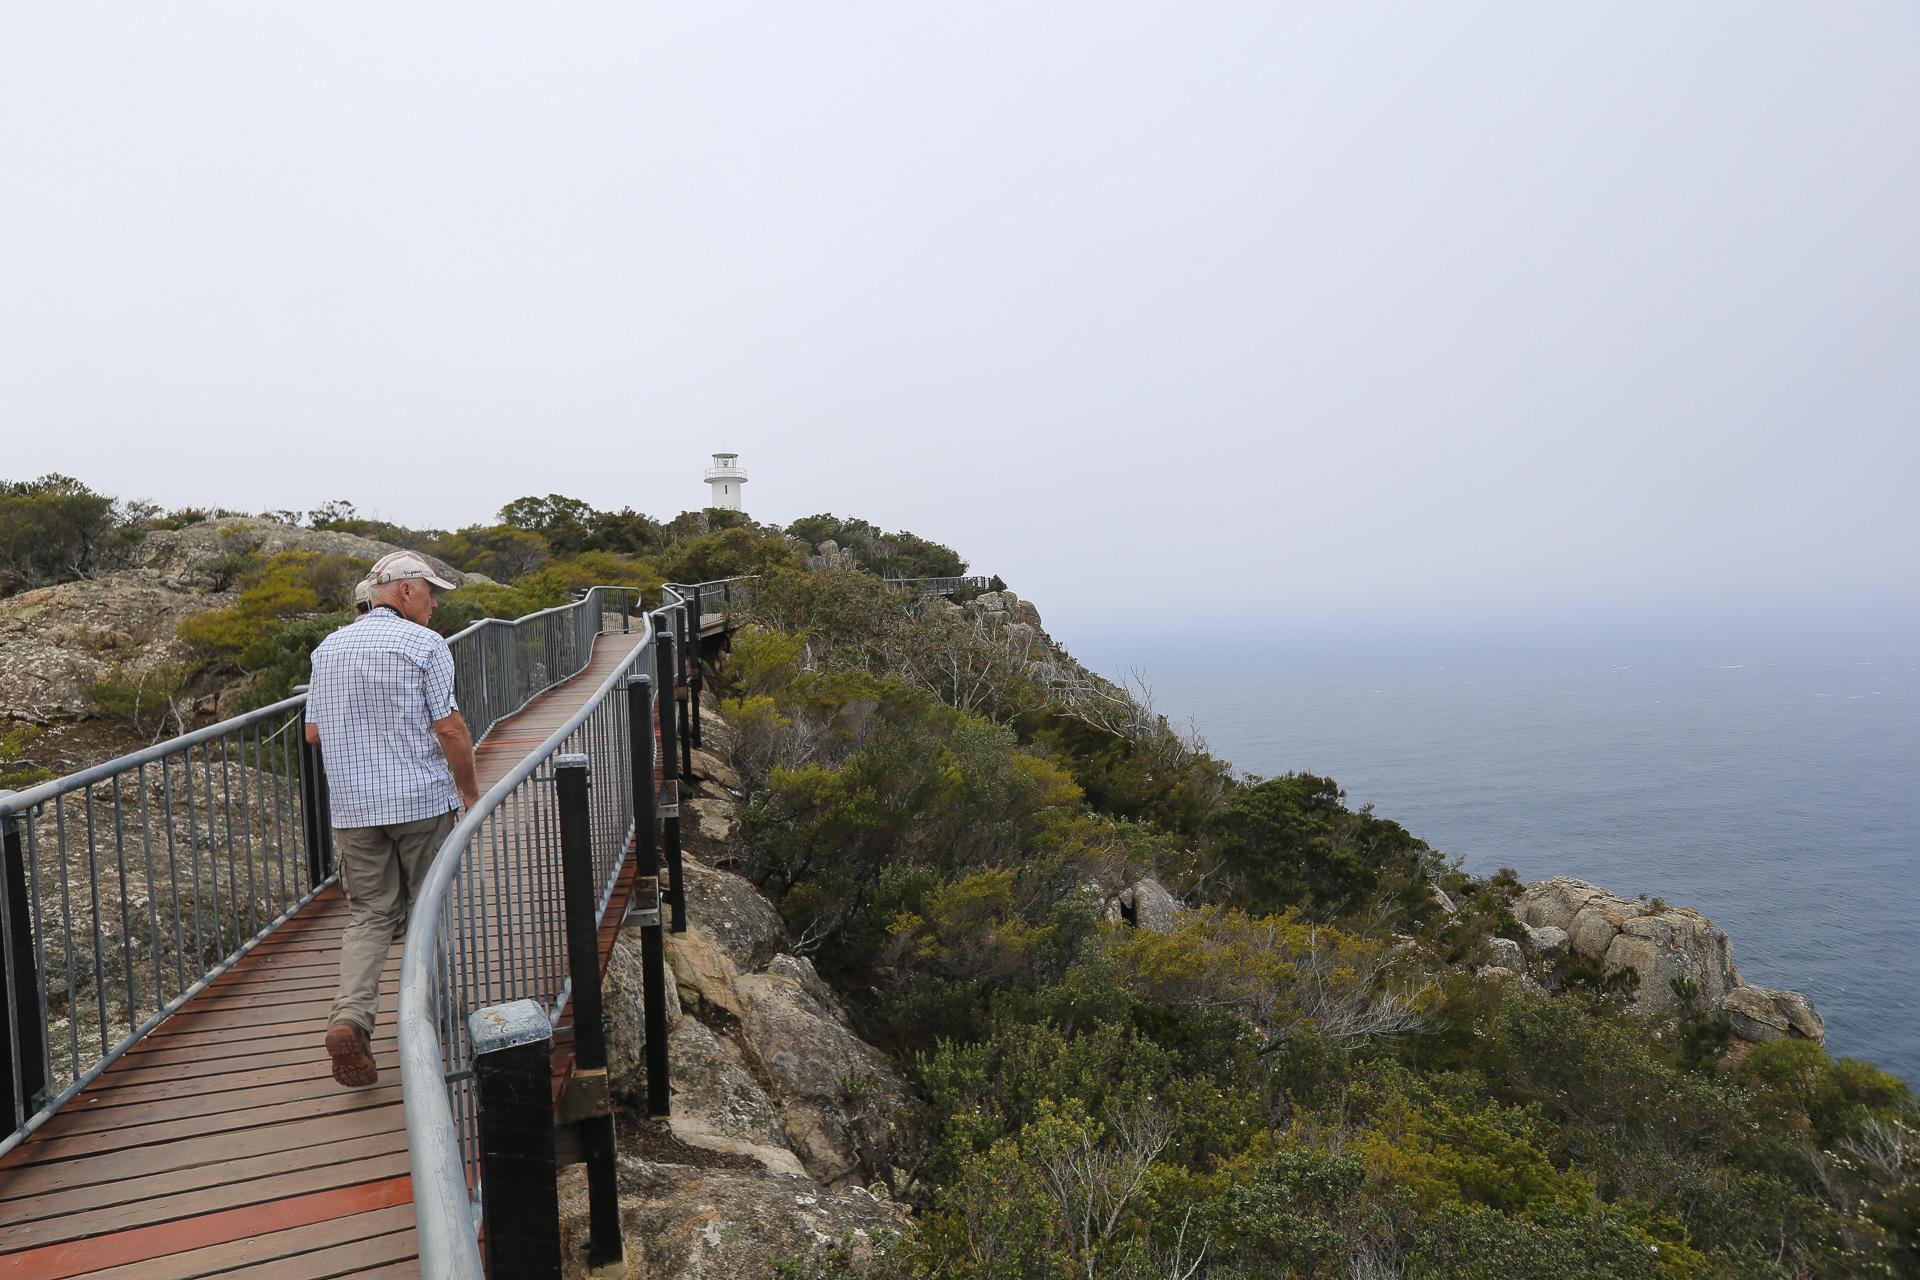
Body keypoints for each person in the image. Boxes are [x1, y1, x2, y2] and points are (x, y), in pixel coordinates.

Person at [304, 552, 479, 1087]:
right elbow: (449, 728)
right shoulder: (425, 646)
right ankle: (441, 1019)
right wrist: (470, 792)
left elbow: (312, 734)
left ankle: (350, 1019)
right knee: (432, 908)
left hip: (355, 809)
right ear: (405, 591)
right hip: (420, 804)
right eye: (431, 592)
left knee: (370, 916)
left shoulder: (327, 648)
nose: (434, 603)